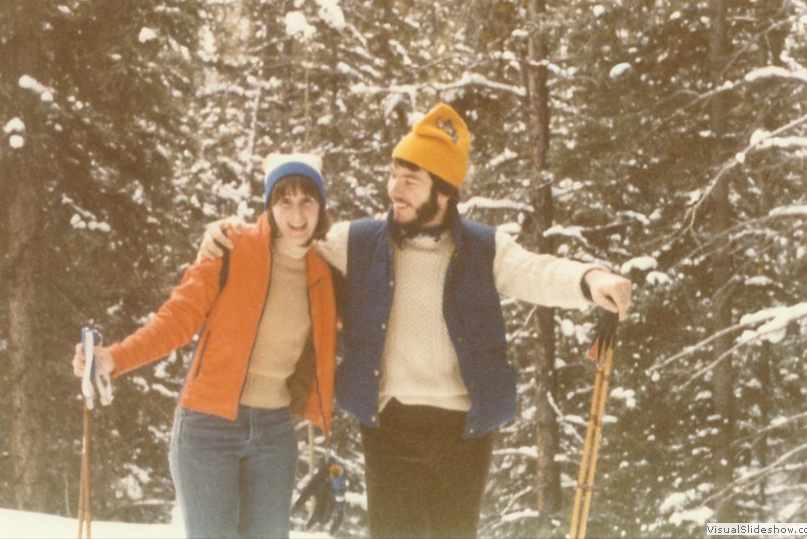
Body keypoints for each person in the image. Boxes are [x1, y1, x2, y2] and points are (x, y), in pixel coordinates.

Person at [199, 104, 632, 538]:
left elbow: (534, 271)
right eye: (392, 175)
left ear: (443, 192)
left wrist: (589, 279)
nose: (394, 190)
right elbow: (290, 232)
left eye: (410, 181)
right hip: (390, 426)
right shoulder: (360, 241)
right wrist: (225, 234)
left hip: (465, 431)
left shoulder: (483, 247)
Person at [72, 154, 338, 539]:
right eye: (285, 200)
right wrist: (115, 358)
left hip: (275, 433)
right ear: (270, 205)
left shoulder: (326, 270)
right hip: (208, 428)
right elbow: (177, 319)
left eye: (307, 200)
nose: (297, 213)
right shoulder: (232, 248)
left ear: (320, 206)